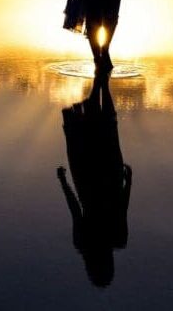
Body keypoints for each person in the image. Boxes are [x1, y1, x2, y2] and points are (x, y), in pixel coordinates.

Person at [57, 72, 132, 288]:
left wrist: (129, 182)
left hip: (104, 178)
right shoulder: (104, 240)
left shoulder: (116, 239)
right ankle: (101, 77)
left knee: (107, 125)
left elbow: (122, 207)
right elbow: (76, 209)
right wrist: (63, 182)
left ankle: (101, 79)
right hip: (91, 179)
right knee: (102, 127)